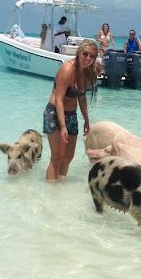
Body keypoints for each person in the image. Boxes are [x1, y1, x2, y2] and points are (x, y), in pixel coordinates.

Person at [43, 39, 98, 181]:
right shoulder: (67, 69)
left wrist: (86, 120)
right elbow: (59, 99)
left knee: (68, 156)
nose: (88, 58)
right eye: (85, 54)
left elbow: (82, 98)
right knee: (57, 156)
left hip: (71, 115)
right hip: (54, 113)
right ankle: (50, 191)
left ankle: (59, 185)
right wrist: (62, 127)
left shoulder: (87, 74)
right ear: (79, 53)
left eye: (92, 56)